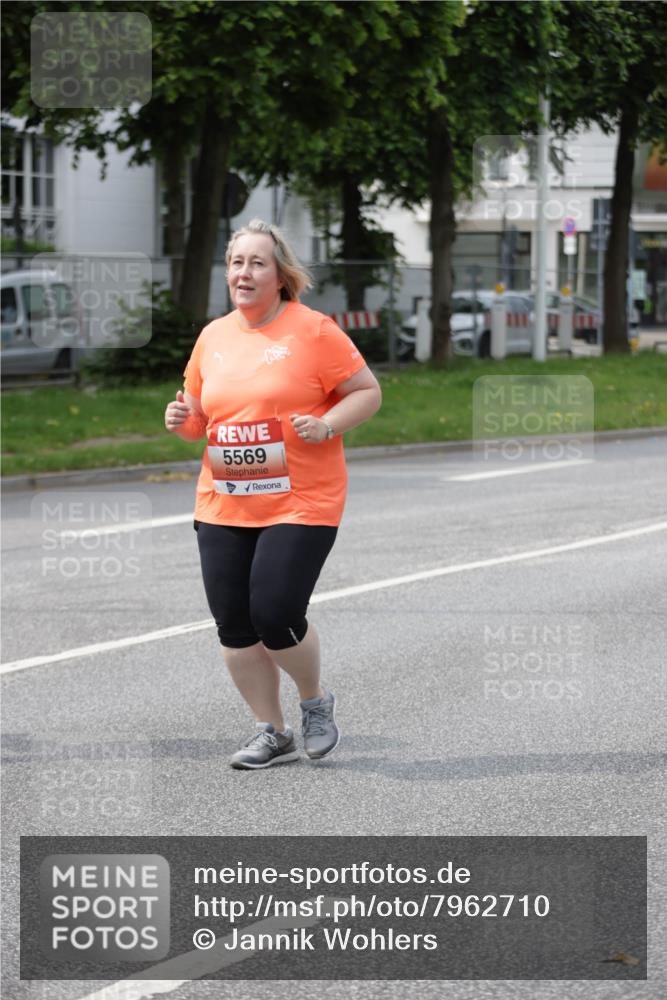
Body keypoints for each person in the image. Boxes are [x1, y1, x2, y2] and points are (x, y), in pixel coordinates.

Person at [164, 219, 381, 769]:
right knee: (235, 625)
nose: (244, 272)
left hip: (301, 499)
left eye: (257, 263)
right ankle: (272, 730)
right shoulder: (213, 336)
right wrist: (181, 419)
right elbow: (199, 417)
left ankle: (314, 702)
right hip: (225, 501)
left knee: (277, 612)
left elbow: (366, 391)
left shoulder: (313, 330)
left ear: (280, 275)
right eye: (237, 262)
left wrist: (328, 424)